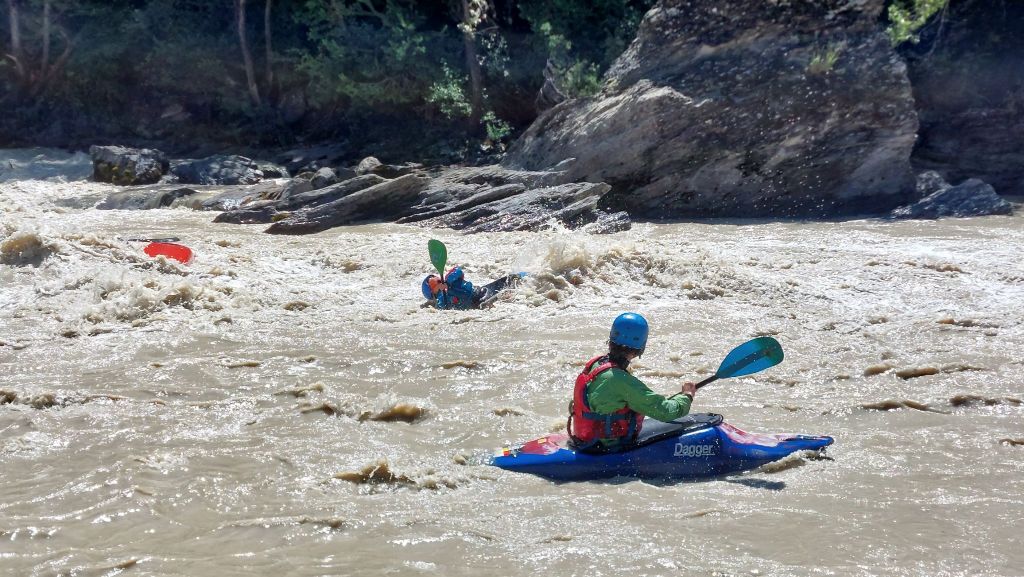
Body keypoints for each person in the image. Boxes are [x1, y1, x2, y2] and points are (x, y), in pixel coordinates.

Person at [567, 312, 697, 452]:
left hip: (584, 438)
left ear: (611, 339)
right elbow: (665, 412)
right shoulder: (619, 380)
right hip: (605, 447)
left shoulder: (595, 364)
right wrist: (686, 396)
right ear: (639, 349)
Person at [421, 266, 523, 310]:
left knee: (512, 278)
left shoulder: (450, 280)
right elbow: (442, 308)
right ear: (432, 291)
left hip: (481, 292)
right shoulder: (441, 300)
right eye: (433, 281)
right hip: (476, 302)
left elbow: (458, 271)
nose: (434, 278)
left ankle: (530, 277)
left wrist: (448, 283)